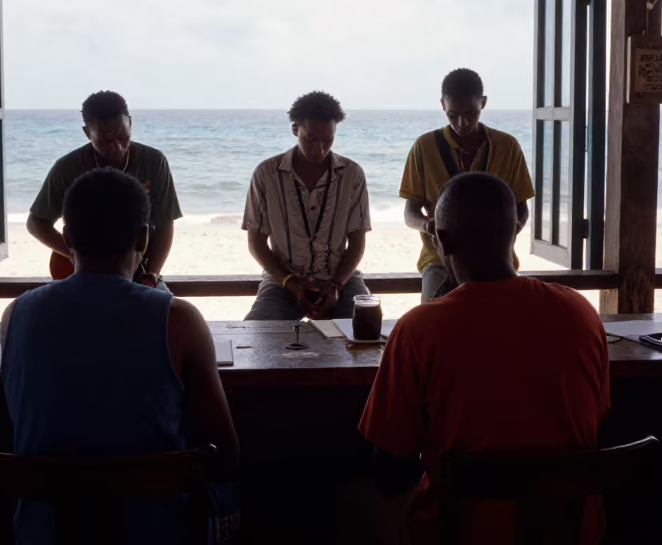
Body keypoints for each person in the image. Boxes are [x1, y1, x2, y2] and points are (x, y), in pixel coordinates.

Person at [358, 172, 610, 544]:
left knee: (351, 503)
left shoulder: (420, 329)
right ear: (513, 232)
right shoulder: (579, 311)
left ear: (441, 240)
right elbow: (599, 419)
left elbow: (390, 466)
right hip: (572, 530)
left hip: (460, 530)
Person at [2, 168, 239, 545]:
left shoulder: (17, 314)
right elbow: (226, 454)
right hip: (159, 530)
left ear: (66, 238)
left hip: (47, 531)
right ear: (144, 237)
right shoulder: (178, 319)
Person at [401, 68, 534, 303]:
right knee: (433, 325)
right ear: (442, 105)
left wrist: (504, 237)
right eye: (453, 114)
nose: (462, 122)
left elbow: (521, 209)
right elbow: (410, 213)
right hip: (441, 260)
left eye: (471, 113)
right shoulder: (423, 147)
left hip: (497, 262)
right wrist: (429, 226)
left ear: (483, 103)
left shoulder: (508, 146)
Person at [27, 91, 181, 288]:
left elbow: (164, 224)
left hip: (136, 271)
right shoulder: (67, 168)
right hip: (78, 272)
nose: (116, 147)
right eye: (104, 140)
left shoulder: (153, 162)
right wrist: (73, 254)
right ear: (87, 132)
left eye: (122, 136)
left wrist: (152, 274)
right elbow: (36, 222)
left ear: (130, 123)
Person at [241, 91, 372, 321]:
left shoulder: (352, 174)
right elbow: (256, 243)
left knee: (367, 327)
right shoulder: (266, 174)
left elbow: (357, 242)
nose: (320, 148)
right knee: (256, 334)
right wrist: (289, 282)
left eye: (328, 140)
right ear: (295, 129)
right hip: (283, 280)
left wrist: (335, 285)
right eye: (311, 139)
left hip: (339, 278)